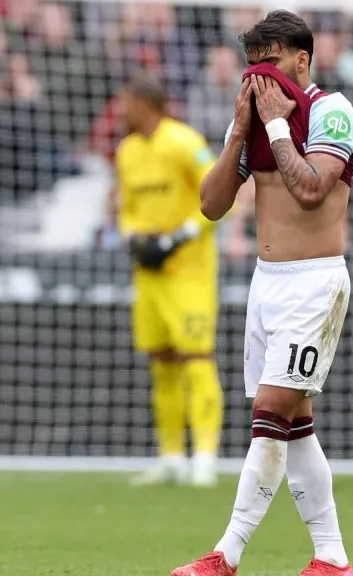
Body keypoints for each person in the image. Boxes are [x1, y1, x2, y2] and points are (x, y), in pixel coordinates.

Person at [173, 10, 353, 576]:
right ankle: (332, 558)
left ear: (301, 59)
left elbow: (309, 190)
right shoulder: (256, 120)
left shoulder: (332, 110)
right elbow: (209, 206)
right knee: (295, 423)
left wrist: (277, 125)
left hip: (316, 282)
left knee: (269, 410)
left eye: (271, 63)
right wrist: (238, 129)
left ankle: (225, 556)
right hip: (265, 285)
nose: (260, 78)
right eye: (252, 66)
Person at [115, 74, 225, 488]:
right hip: (149, 274)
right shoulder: (127, 151)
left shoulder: (185, 142)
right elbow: (127, 207)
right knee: (161, 364)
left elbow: (220, 200)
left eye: (126, 101)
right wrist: (132, 237)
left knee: (197, 361)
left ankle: (206, 457)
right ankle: (172, 456)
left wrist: (176, 238)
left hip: (188, 273)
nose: (121, 110)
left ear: (146, 103)